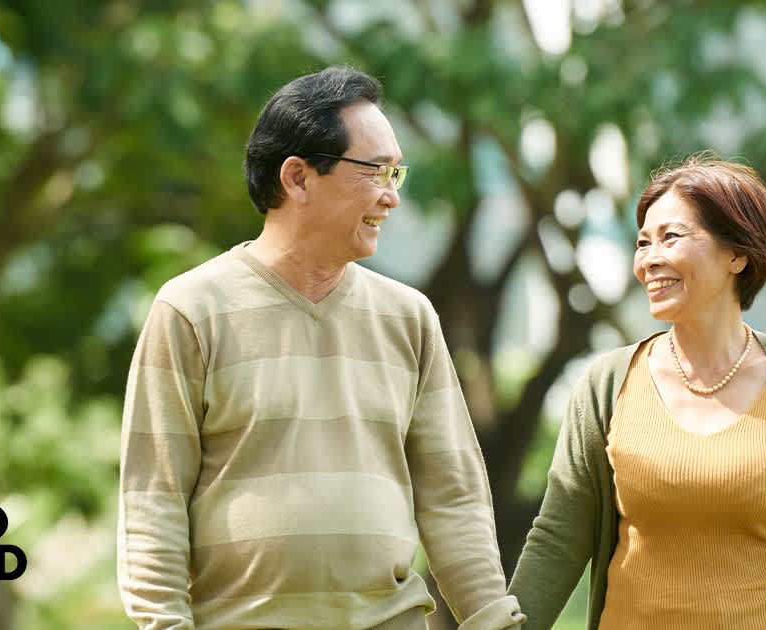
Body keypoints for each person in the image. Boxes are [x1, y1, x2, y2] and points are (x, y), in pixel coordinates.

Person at [117, 67, 524, 630]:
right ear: (298, 177)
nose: (392, 197)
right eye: (376, 172)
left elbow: (452, 499)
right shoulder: (191, 310)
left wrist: (492, 622)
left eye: (396, 174)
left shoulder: (409, 317)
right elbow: (152, 503)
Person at [509, 155, 766, 629]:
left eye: (671, 237)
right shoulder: (607, 382)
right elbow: (558, 539)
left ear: (737, 254)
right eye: (642, 242)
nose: (649, 259)